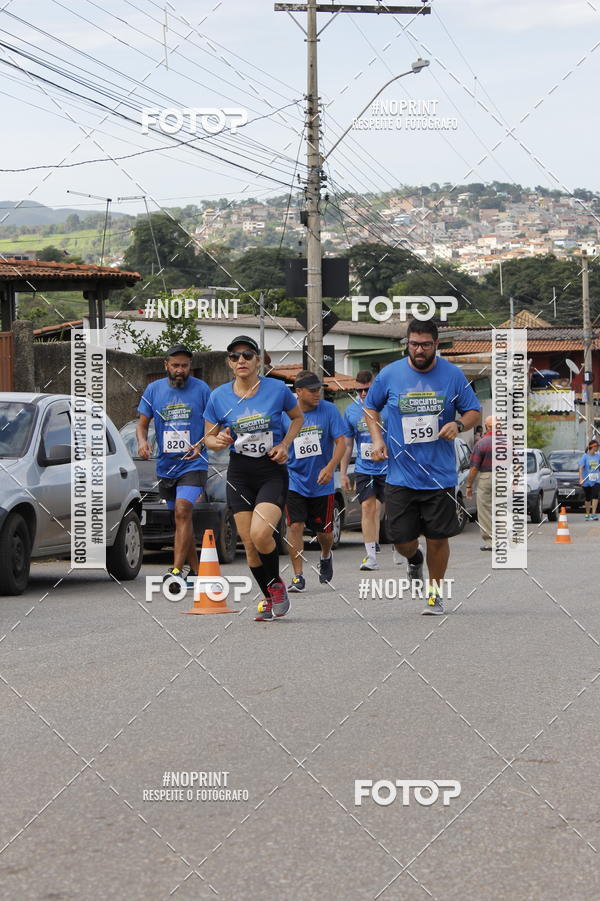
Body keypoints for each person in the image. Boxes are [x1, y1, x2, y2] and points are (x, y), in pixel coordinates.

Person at [364, 319, 481, 615]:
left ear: (436, 345)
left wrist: (458, 424)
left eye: (426, 345)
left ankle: (435, 594)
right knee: (401, 541)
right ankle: (414, 559)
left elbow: (474, 411)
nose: (419, 350)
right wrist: (377, 438)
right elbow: (370, 407)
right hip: (400, 475)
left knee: (437, 538)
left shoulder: (452, 375)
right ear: (407, 343)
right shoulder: (390, 374)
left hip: (439, 476)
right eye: (414, 344)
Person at [203, 336, 303, 621]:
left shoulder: (277, 390)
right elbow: (209, 438)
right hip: (240, 472)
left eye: (247, 355)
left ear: (258, 359)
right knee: (248, 543)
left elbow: (297, 418)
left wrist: (284, 444)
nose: (241, 360)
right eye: (235, 356)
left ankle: (276, 586)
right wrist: (218, 441)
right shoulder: (219, 396)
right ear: (229, 363)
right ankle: (270, 595)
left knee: (261, 534)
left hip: (270, 470)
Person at [137, 344, 210, 586]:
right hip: (166, 466)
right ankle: (197, 572)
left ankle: (176, 570)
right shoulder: (153, 390)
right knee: (181, 519)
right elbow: (142, 425)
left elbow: (215, 424)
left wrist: (201, 443)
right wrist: (142, 443)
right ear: (166, 365)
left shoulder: (202, 389)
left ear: (190, 367)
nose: (180, 370)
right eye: (176, 365)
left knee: (182, 511)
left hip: (194, 464)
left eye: (185, 366)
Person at [284, 371, 347, 591]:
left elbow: (341, 442)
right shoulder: (286, 414)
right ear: (298, 391)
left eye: (319, 389)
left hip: (321, 483)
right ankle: (298, 576)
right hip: (293, 479)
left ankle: (326, 555)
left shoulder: (329, 410)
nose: (317, 394)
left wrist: (331, 467)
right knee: (295, 525)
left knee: (325, 533)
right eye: (312, 390)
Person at [341, 369, 388, 571]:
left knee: (394, 509)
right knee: (367, 507)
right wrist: (343, 472)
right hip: (365, 467)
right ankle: (371, 556)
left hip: (389, 467)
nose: (362, 394)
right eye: (358, 391)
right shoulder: (351, 411)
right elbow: (347, 444)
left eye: (367, 390)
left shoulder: (387, 407)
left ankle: (403, 546)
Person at [466, 415, 494, 550]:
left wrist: (469, 485)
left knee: (485, 510)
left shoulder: (481, 443)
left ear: (486, 427)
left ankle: (491, 542)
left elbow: (474, 468)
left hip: (486, 477)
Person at [578, 439, 600, 520]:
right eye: (597, 446)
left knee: (595, 496)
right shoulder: (585, 456)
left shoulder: (598, 456)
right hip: (586, 480)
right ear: (593, 447)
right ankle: (587, 513)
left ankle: (593, 514)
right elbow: (580, 468)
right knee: (588, 498)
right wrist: (581, 478)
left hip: (596, 480)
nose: (598, 448)